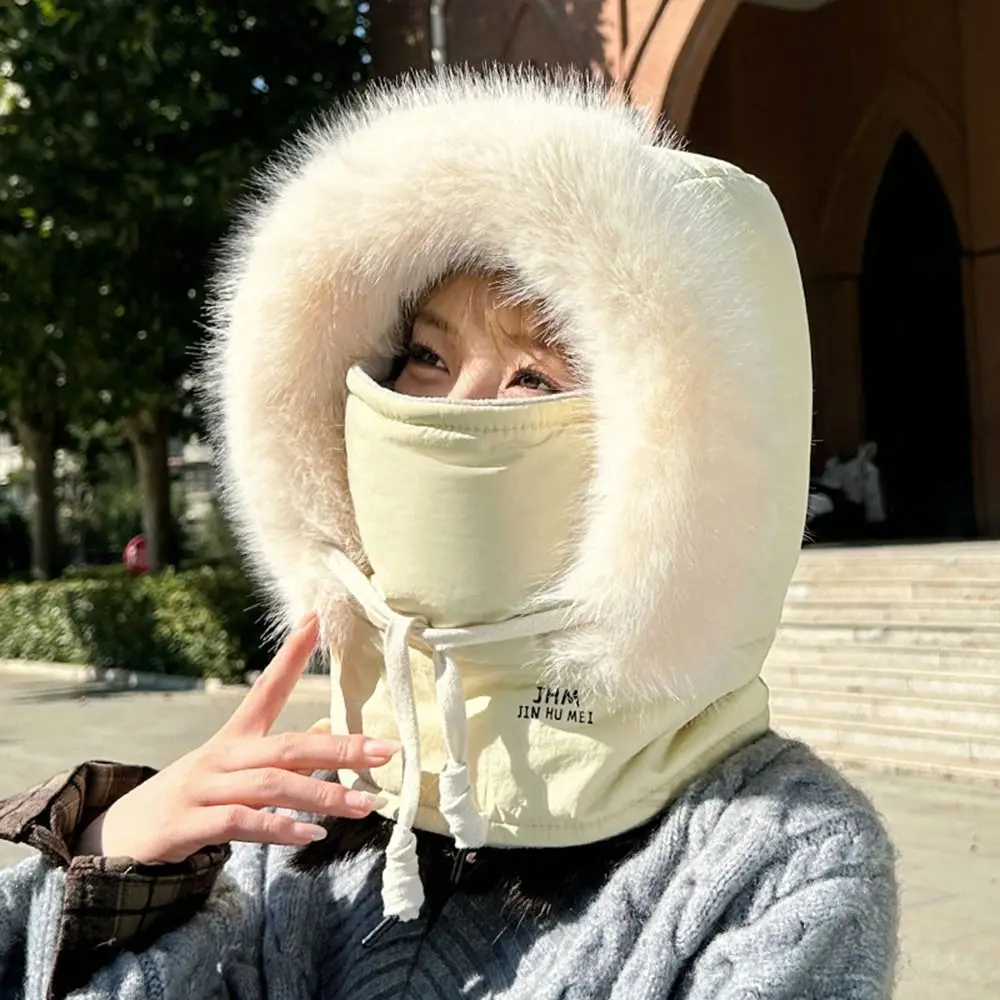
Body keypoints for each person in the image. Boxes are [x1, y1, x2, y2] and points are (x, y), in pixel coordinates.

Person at [0, 71, 897, 999]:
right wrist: (116, 861)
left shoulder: (782, 863)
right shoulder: (299, 811)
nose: (454, 408)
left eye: (534, 378)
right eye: (426, 356)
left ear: (683, 451)